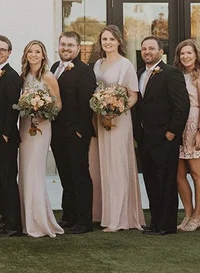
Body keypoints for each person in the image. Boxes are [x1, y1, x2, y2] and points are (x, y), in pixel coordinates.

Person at [89, 25, 143, 232]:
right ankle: (105, 214)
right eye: (104, 39)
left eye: (111, 39)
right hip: (101, 119)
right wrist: (102, 110)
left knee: (118, 165)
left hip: (119, 120)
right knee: (104, 165)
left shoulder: (125, 64)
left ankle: (120, 219)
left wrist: (117, 110)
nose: (108, 43)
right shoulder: (98, 64)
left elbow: (133, 95)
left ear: (119, 41)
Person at [134, 36, 190, 235]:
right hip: (145, 138)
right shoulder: (139, 73)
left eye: (151, 48)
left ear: (161, 51)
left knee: (166, 182)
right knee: (151, 181)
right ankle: (155, 222)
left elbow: (182, 106)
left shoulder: (171, 73)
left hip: (165, 138)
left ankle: (166, 225)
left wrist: (171, 132)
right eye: (144, 49)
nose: (147, 52)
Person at [50, 31, 97, 234]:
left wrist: (80, 130)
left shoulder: (84, 71)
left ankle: (84, 221)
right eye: (63, 44)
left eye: (70, 45)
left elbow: (86, 103)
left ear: (78, 48)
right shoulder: (54, 67)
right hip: (57, 131)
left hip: (76, 132)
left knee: (79, 175)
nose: (66, 48)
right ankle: (69, 216)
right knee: (65, 175)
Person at [17, 40, 64, 238]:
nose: (33, 55)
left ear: (43, 55)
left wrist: (43, 115)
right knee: (25, 171)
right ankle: (26, 219)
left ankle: (39, 221)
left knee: (35, 172)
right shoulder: (25, 75)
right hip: (25, 126)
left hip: (41, 128)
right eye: (30, 51)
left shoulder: (48, 76)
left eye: (37, 52)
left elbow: (58, 104)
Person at [0, 35, 24, 237]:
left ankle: (14, 225)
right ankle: (5, 216)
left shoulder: (11, 76)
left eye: (2, 49)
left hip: (4, 137)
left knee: (7, 179)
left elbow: (13, 106)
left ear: (9, 53)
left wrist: (6, 133)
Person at [174, 39, 200, 232]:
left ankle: (198, 216)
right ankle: (188, 214)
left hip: (194, 123)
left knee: (198, 174)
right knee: (179, 175)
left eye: (189, 52)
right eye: (182, 53)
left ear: (196, 55)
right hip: (178, 125)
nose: (185, 56)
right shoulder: (177, 75)